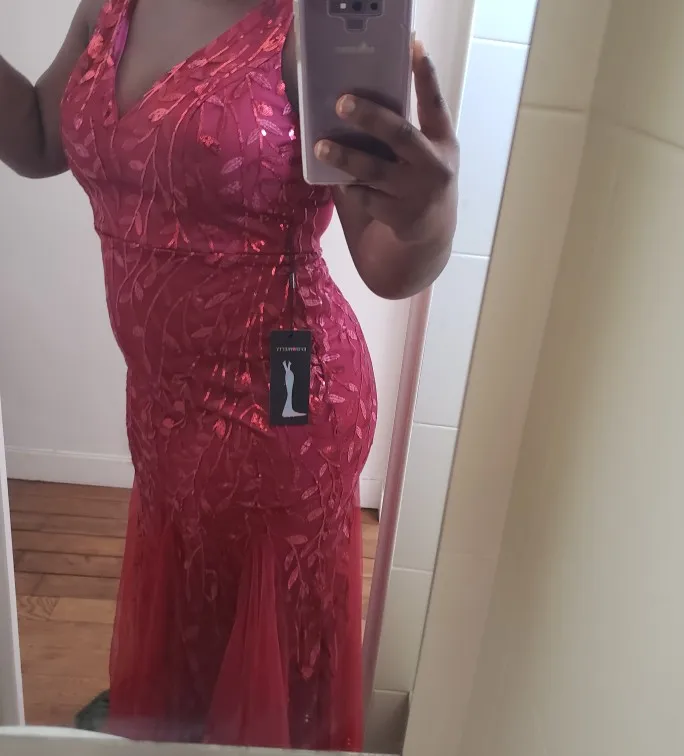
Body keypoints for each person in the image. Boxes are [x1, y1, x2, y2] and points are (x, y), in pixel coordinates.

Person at [0, 0, 458, 748]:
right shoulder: (110, 6)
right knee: (192, 644)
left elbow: (387, 260)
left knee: (265, 678)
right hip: (162, 407)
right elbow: (39, 137)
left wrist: (432, 217)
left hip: (280, 417)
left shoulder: (310, 24)